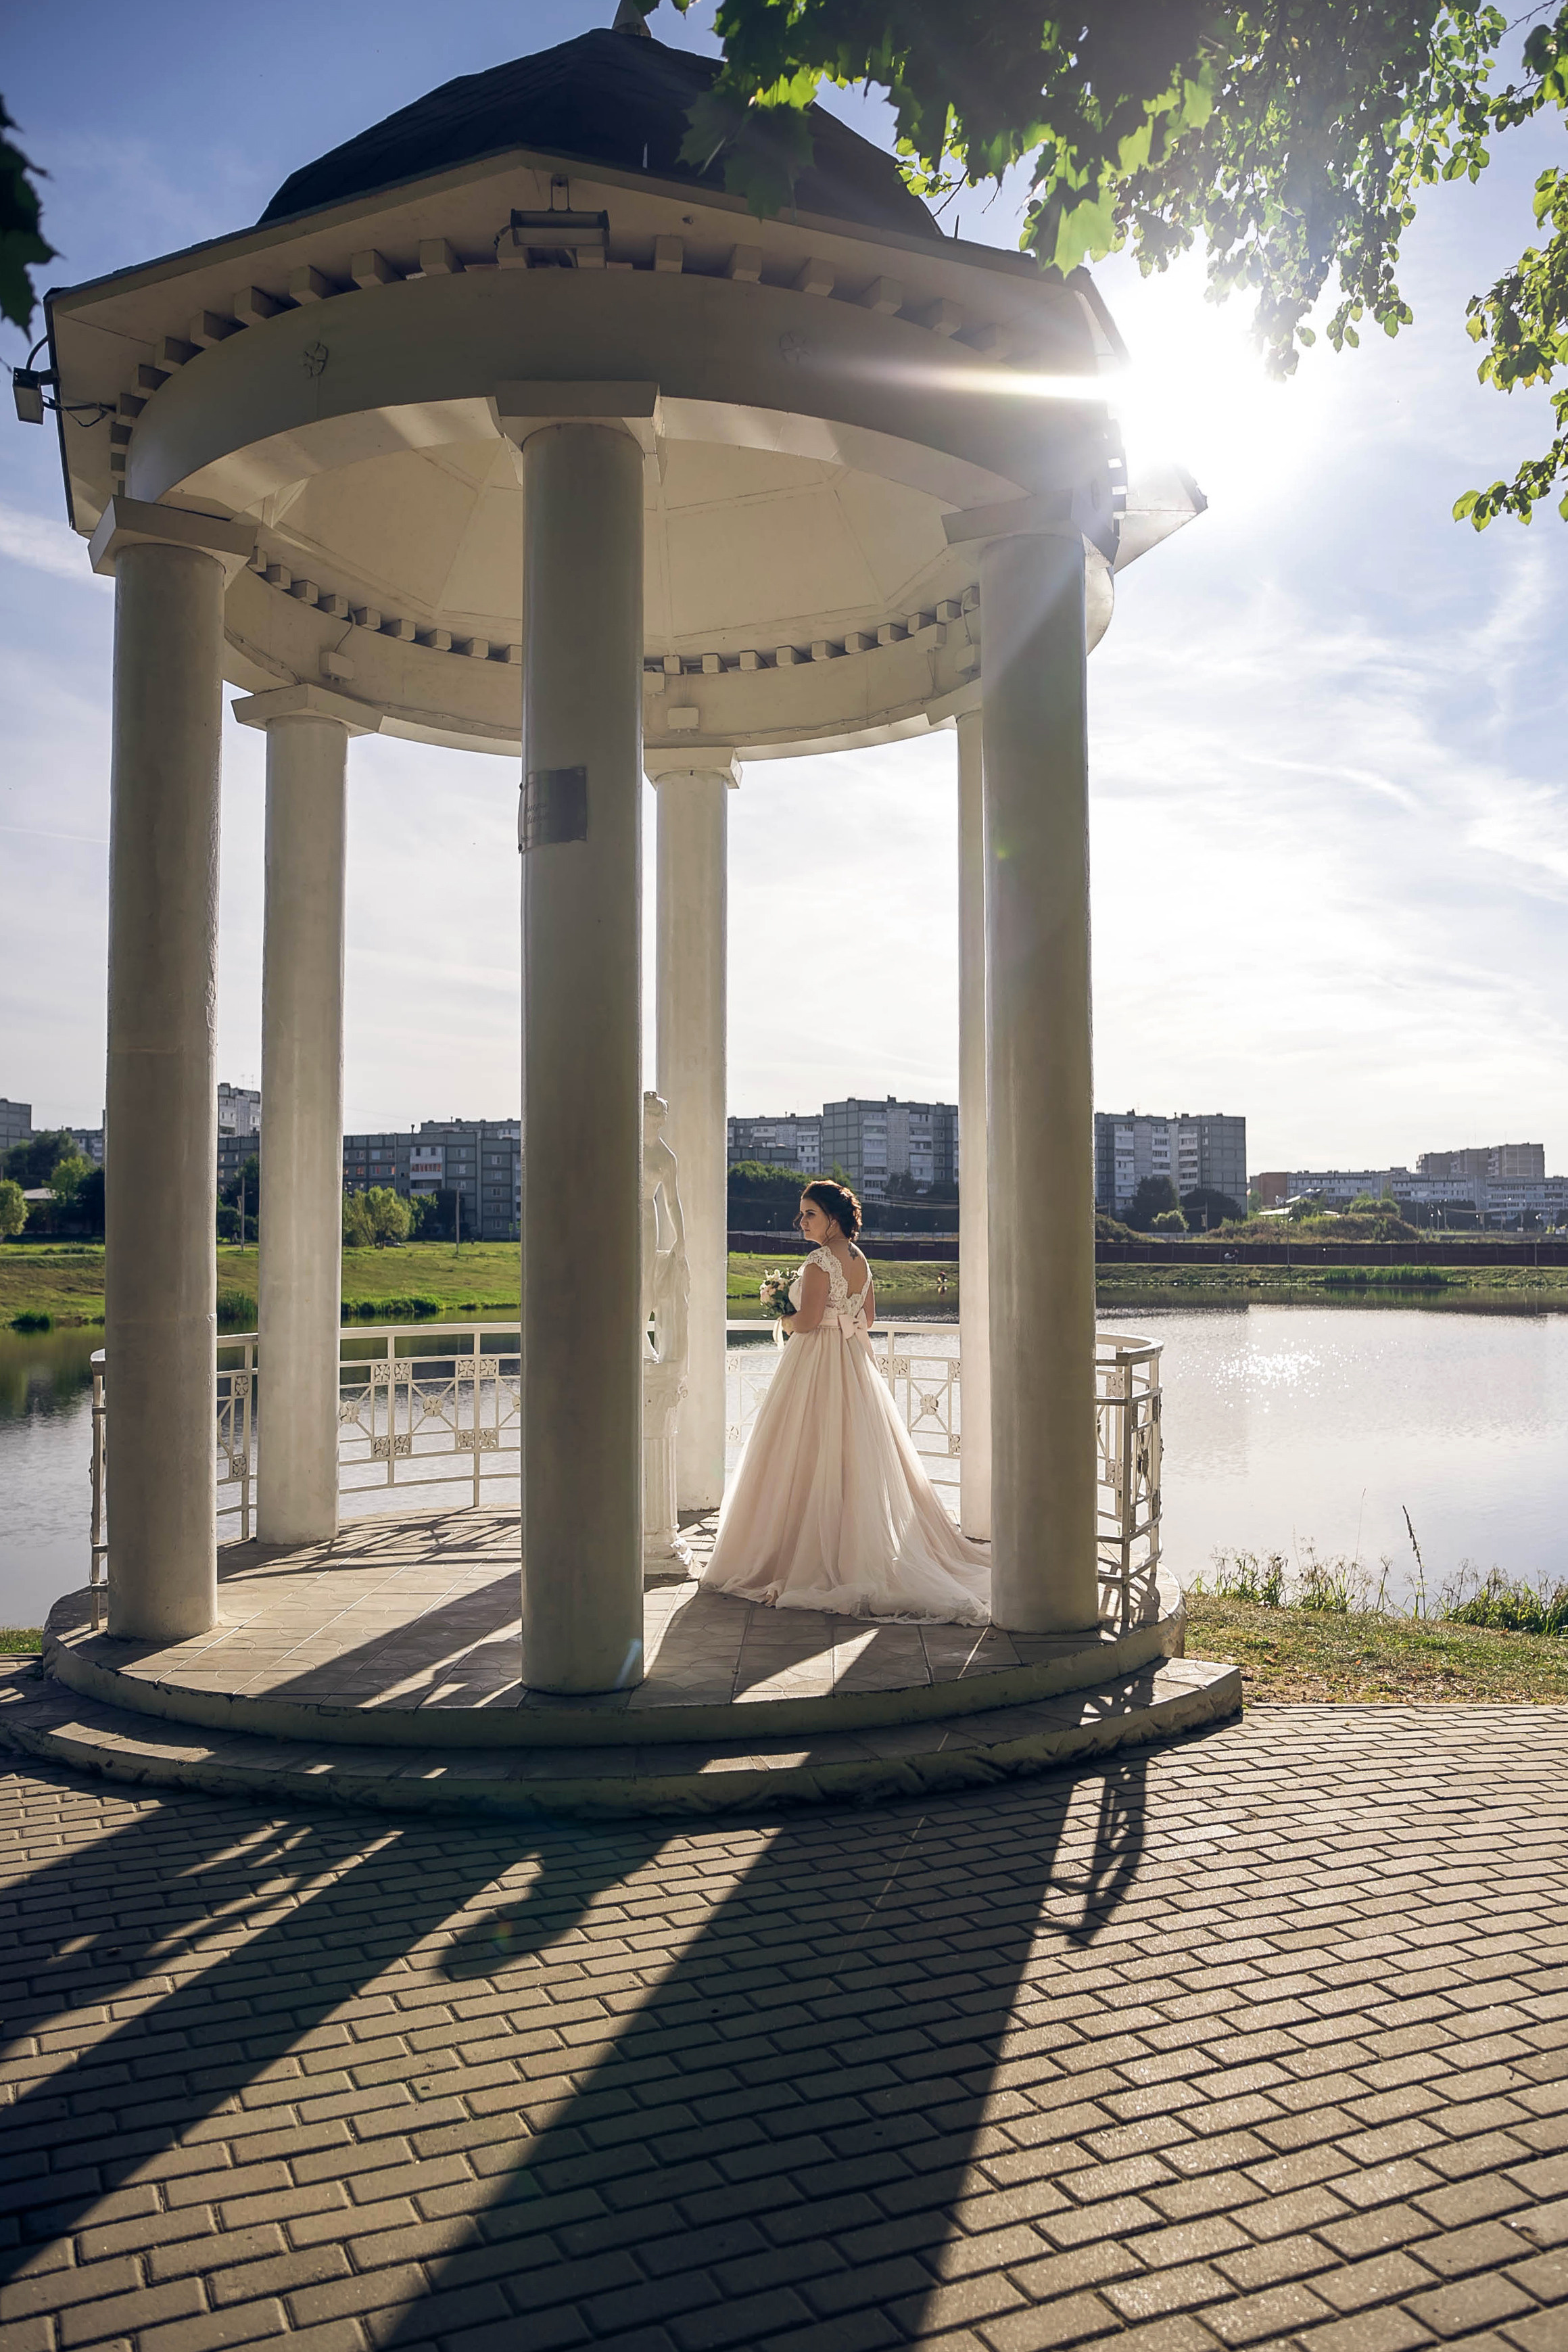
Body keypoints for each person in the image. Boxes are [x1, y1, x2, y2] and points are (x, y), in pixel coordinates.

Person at [702, 1179, 989, 1624]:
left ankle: (805, 1554)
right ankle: (856, 1544)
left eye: (810, 1214)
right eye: (801, 1214)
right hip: (853, 1364)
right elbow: (868, 1319)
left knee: (802, 1448)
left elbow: (810, 1321)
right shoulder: (858, 1259)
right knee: (853, 1455)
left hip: (815, 1364)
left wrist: (780, 1311)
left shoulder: (819, 1261)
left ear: (833, 1217)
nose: (801, 1222)